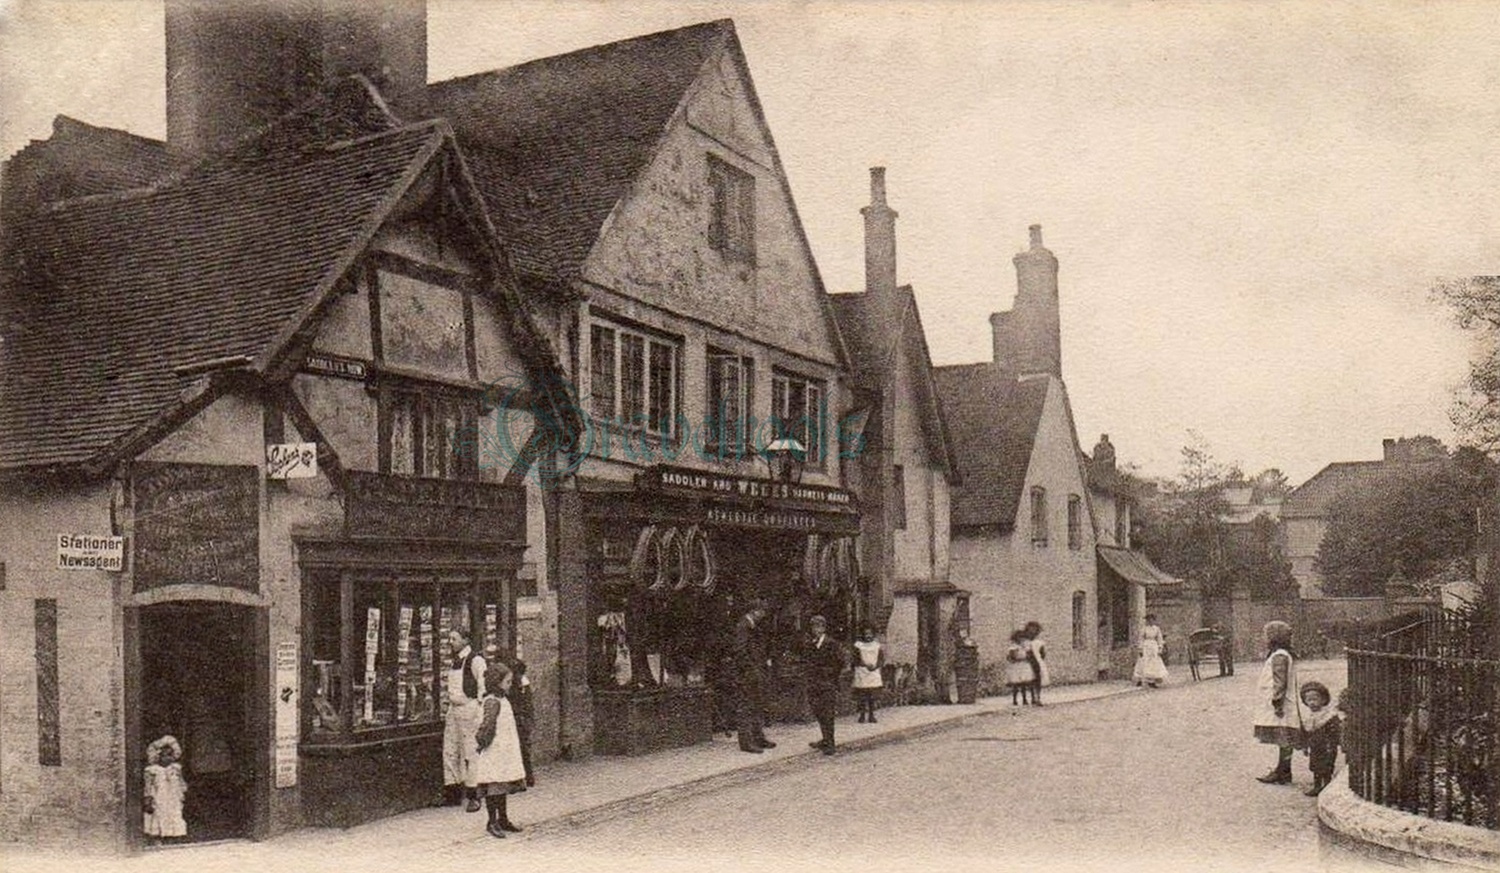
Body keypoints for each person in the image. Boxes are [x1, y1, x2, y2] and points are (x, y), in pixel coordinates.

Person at [472, 661, 527, 839]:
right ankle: (492, 821)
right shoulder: (492, 702)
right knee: (494, 786)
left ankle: (503, 818)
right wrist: (482, 742)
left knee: (502, 784)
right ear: (497, 682)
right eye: (508, 682)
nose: (510, 685)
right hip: (494, 750)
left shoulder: (502, 700)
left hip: (504, 750)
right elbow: (487, 726)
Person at [442, 628, 487, 810]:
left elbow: (482, 688)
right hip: (454, 710)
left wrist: (479, 710)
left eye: (454, 638)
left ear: (466, 640)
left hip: (469, 709)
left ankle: (474, 796)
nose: (450, 641)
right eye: (450, 638)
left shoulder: (476, 661)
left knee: (470, 752)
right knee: (450, 750)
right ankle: (452, 793)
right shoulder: (454, 661)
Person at [1254, 620, 1303, 785]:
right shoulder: (1280, 654)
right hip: (1282, 703)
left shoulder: (1279, 656)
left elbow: (1280, 680)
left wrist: (1277, 702)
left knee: (1284, 739)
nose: (1264, 638)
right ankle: (1283, 769)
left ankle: (1283, 771)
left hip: (1281, 704)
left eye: (1266, 635)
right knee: (1284, 739)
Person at [733, 599, 776, 753]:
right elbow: (740, 651)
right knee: (746, 706)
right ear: (754, 611)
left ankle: (758, 737)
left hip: (756, 671)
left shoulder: (752, 626)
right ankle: (746, 742)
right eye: (762, 612)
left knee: (757, 704)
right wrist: (752, 669)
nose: (763, 615)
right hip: (748, 674)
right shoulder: (743, 626)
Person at [802, 615, 848, 755]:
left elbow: (839, 662)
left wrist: (830, 675)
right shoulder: (811, 643)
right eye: (813, 627)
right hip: (814, 683)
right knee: (818, 711)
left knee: (827, 712)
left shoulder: (831, 643)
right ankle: (825, 738)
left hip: (827, 683)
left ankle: (830, 743)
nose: (816, 629)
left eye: (818, 626)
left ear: (823, 627)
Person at [143, 735, 187, 842]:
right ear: (158, 756)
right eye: (165, 755)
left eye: (171, 755)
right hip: (159, 796)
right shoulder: (152, 770)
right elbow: (148, 786)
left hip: (173, 796)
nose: (169, 758)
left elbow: (181, 782)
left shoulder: (175, 768)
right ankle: (159, 835)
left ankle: (174, 835)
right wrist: (148, 798)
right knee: (159, 813)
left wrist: (183, 792)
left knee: (174, 812)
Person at [1300, 680, 1341, 796]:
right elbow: (1305, 733)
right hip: (1314, 746)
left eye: (1315, 699)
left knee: (1327, 766)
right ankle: (1317, 786)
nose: (1312, 702)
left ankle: (1327, 786)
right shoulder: (1308, 717)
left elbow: (1335, 732)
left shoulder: (1329, 716)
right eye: (1309, 700)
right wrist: (1305, 746)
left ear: (1323, 700)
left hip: (1327, 746)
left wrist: (1333, 743)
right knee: (1315, 766)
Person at [851, 626, 885, 723]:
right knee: (862, 695)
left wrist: (876, 666)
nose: (868, 636)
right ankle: (862, 715)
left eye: (870, 634)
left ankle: (871, 715)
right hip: (862, 672)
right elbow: (855, 659)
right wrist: (864, 664)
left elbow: (881, 658)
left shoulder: (877, 646)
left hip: (873, 672)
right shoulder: (858, 646)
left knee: (872, 695)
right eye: (866, 634)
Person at [511, 658, 536, 788]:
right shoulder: (522, 683)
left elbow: (526, 704)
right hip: (521, 719)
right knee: (523, 749)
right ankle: (527, 777)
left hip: (519, 720)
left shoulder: (521, 684)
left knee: (521, 749)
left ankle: (525, 777)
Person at [1133, 614, 1168, 688]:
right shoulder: (1144, 629)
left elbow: (1159, 639)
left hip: (1153, 647)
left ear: (1154, 620)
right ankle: (1139, 679)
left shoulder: (1157, 629)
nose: (1150, 621)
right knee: (1143, 662)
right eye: (1148, 620)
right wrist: (1140, 649)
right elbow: (1141, 639)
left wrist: (1160, 648)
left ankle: (1152, 681)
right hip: (1146, 646)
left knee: (1153, 664)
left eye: (1152, 620)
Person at [1004, 629, 1035, 706]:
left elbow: (1030, 655)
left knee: (1027, 682)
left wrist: (1028, 655)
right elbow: (1011, 657)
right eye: (1019, 638)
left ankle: (1029, 699)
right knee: (1016, 684)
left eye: (1022, 637)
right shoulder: (1013, 647)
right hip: (1017, 666)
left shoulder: (1025, 646)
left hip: (1024, 665)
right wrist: (1017, 657)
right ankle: (1015, 700)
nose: (1021, 639)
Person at [1023, 621, 1050, 706]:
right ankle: (1032, 698)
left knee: (1037, 680)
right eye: (1030, 631)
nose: (1032, 633)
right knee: (1030, 680)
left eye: (1034, 631)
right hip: (1030, 663)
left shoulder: (1039, 643)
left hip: (1036, 663)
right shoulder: (1026, 643)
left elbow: (1043, 654)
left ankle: (1037, 697)